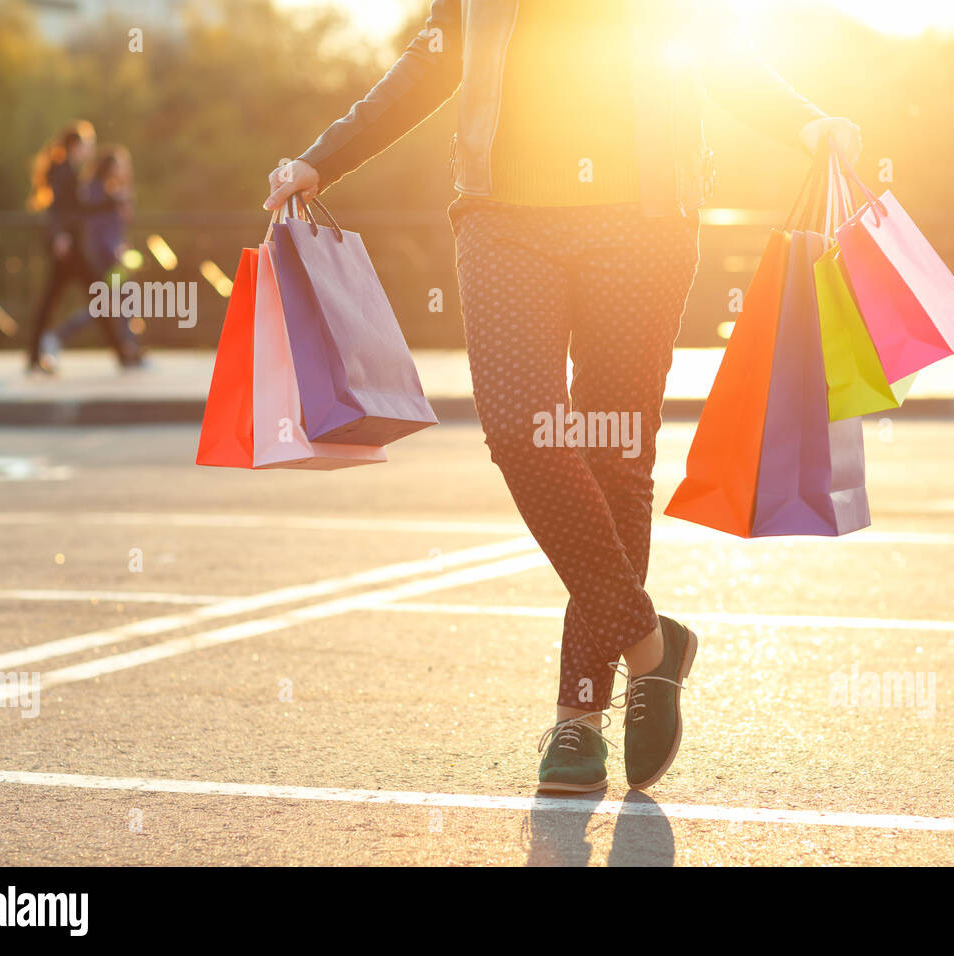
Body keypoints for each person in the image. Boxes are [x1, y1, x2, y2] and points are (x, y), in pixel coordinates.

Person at [264, 0, 861, 794]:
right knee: (520, 433)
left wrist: (804, 120)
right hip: (503, 220)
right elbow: (439, 54)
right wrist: (324, 157)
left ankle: (578, 719)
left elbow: (712, 46)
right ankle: (651, 645)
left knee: (616, 460)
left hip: (643, 221)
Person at [26, 121, 138, 373]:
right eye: (88, 144)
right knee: (91, 299)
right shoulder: (63, 171)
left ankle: (121, 352)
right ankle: (121, 353)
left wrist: (111, 201)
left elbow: (80, 208)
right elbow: (58, 210)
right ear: (76, 146)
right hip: (69, 250)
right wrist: (59, 235)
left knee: (90, 298)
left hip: (73, 250)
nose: (91, 149)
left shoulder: (70, 170)